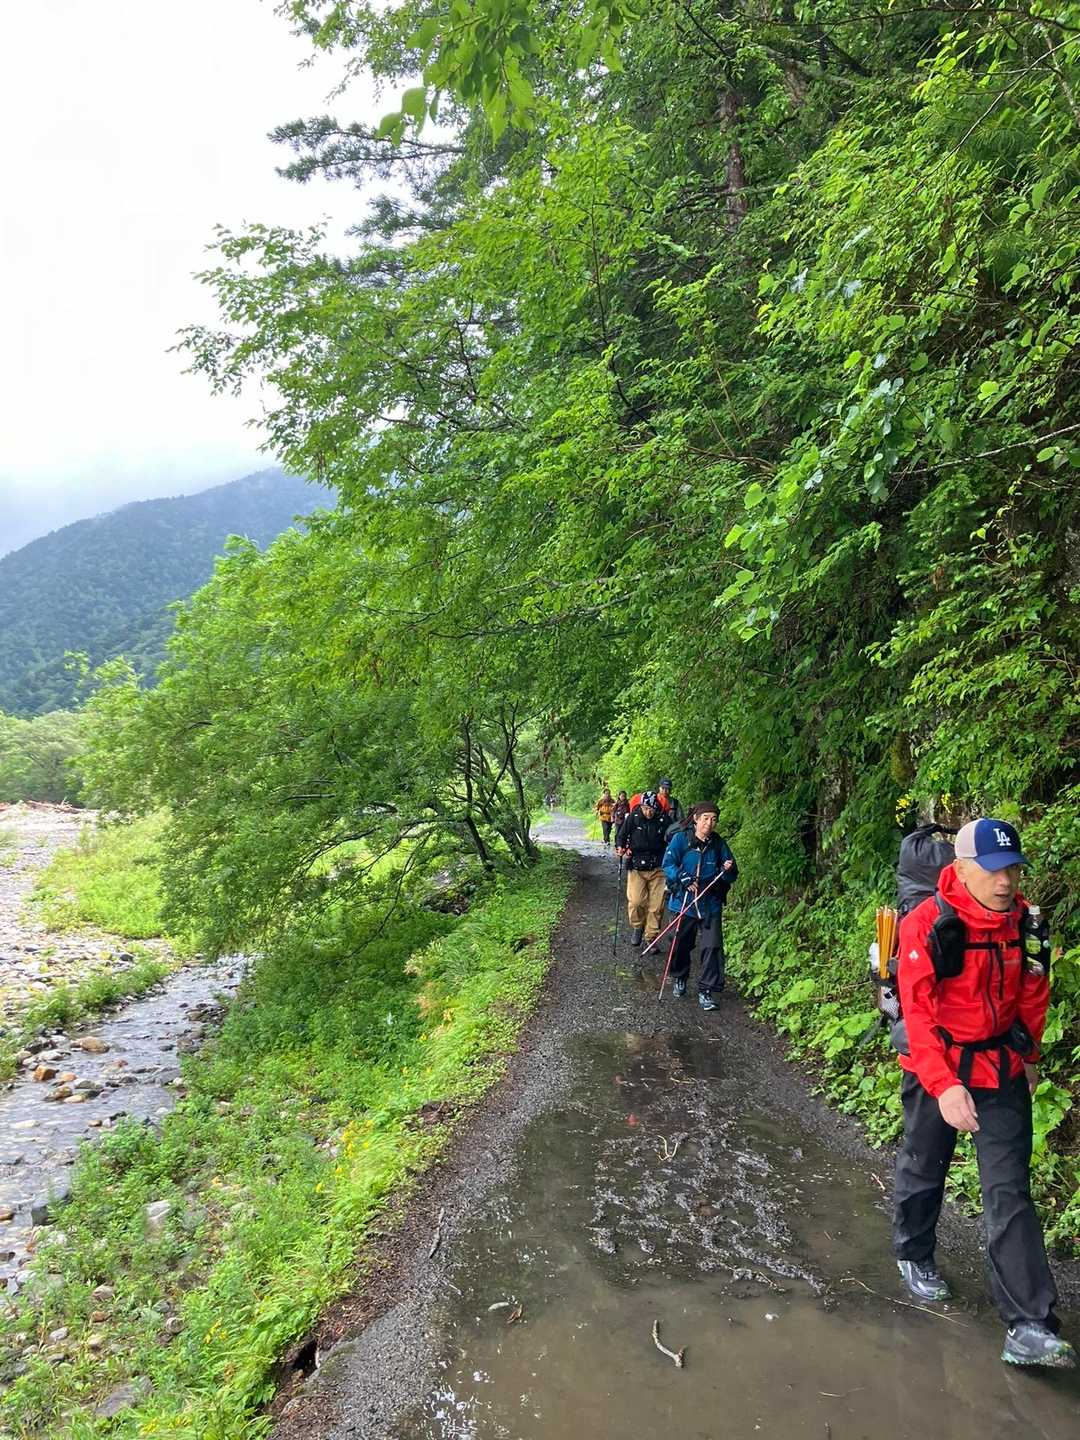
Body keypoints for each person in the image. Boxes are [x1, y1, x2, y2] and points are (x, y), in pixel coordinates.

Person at [892, 817, 1075, 1369]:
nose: (1006, 881)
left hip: (1001, 1067)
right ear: (962, 868)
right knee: (925, 1164)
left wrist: (1030, 1057)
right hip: (939, 1062)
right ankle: (914, 1254)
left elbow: (1034, 992)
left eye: (1014, 869)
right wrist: (944, 1085)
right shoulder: (926, 923)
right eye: (994, 870)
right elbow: (917, 1014)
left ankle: (1029, 1324)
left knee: (1009, 1189)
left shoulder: (1026, 924)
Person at [661, 802, 737, 1010]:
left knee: (712, 946)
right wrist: (682, 877)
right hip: (683, 901)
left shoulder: (718, 843)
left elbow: (731, 874)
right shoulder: (680, 839)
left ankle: (706, 990)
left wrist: (727, 869)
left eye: (713, 819)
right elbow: (668, 864)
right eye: (705, 818)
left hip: (710, 902)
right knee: (680, 943)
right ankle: (680, 977)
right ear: (696, 819)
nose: (709, 823)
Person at [615, 792, 669, 947]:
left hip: (658, 867)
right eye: (645, 808)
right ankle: (638, 926)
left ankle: (651, 937)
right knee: (636, 901)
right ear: (641, 806)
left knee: (657, 905)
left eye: (651, 809)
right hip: (636, 866)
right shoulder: (634, 817)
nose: (648, 812)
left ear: (656, 807)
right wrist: (620, 847)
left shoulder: (663, 819)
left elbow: (674, 837)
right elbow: (621, 835)